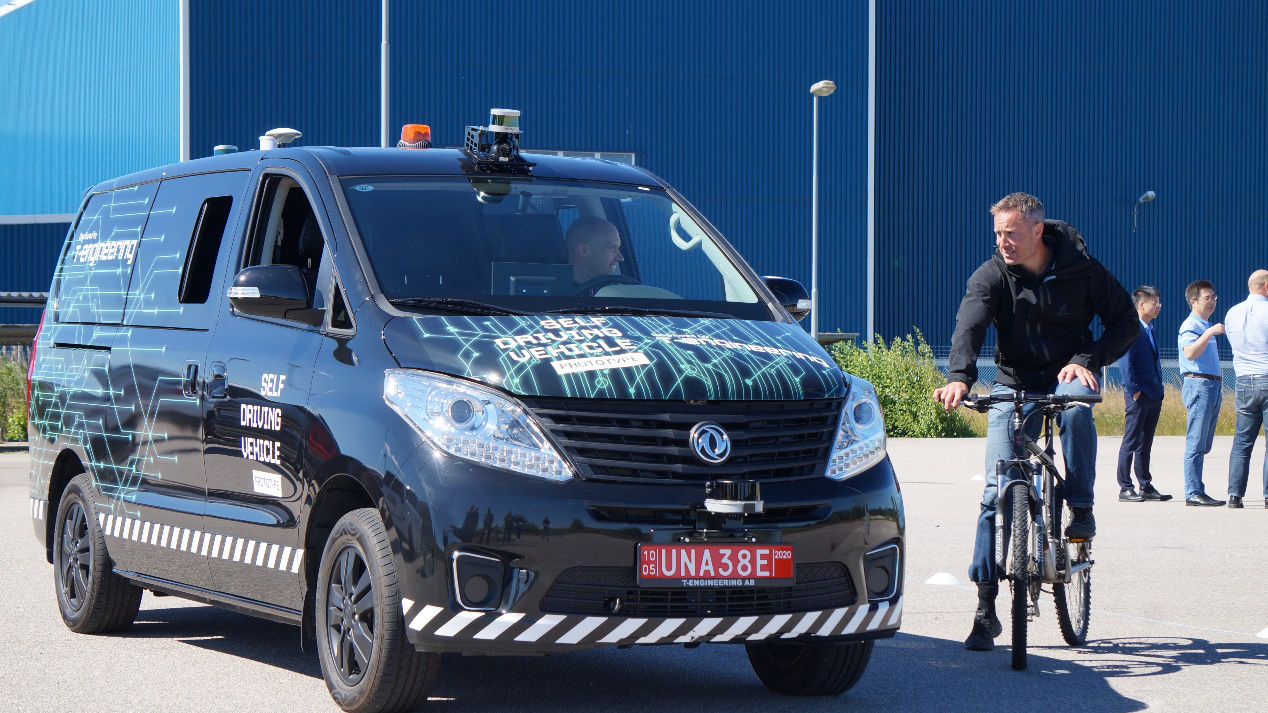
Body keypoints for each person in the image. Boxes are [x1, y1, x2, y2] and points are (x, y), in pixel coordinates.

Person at [933, 192, 1138, 653]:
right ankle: (985, 609)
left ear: (1038, 231)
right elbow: (969, 326)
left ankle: (1080, 507)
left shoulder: (1083, 270)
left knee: (1077, 409)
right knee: (994, 492)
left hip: (1068, 373)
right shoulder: (992, 275)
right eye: (997, 234)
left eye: (1010, 233)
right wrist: (960, 377)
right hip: (1014, 382)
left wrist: (1088, 358)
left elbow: (1125, 321)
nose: (1002, 242)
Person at [1114, 286, 1172, 502]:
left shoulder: (1150, 329)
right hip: (1139, 395)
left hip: (1153, 394)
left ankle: (1145, 485)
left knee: (1145, 443)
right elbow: (1126, 364)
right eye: (1154, 302)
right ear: (1141, 304)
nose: (1158, 306)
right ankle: (1125, 487)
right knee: (1131, 441)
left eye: (1158, 302)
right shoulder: (1131, 329)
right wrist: (1135, 391)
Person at [1177, 279, 1226, 507]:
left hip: (1212, 385)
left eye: (1214, 297)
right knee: (1196, 442)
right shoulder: (1192, 325)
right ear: (1193, 301)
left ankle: (1197, 488)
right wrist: (1209, 334)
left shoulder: (1205, 325)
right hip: (1199, 384)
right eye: (1207, 298)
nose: (1213, 301)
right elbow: (1189, 353)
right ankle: (1193, 492)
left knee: (1204, 443)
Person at [1223, 269, 1268, 509]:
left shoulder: (1232, 312)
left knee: (1242, 442)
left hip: (1243, 380)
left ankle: (1235, 495)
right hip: (1266, 375)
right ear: (1266, 286)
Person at [564, 217, 625, 291]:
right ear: (584, 250)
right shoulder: (555, 294)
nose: (621, 258)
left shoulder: (616, 291)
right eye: (612, 248)